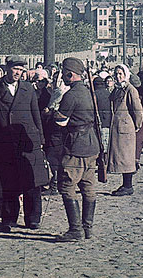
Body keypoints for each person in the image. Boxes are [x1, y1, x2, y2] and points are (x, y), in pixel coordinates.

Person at [0, 55, 48, 232]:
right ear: (7, 68)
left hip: (27, 141)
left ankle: (33, 218)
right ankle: (9, 218)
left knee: (32, 182)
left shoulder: (28, 89)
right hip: (6, 144)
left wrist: (40, 139)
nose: (18, 73)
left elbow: (35, 114)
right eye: (15, 69)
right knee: (9, 183)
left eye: (21, 70)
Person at [54, 57, 100, 241]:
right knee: (88, 187)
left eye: (64, 73)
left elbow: (61, 121)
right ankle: (87, 228)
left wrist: (52, 113)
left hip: (76, 146)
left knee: (67, 186)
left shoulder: (71, 95)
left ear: (69, 74)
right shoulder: (89, 92)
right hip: (91, 144)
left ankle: (75, 229)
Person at [107, 64, 143, 196]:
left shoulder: (130, 89)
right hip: (118, 128)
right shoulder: (117, 89)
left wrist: (135, 126)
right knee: (122, 157)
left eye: (120, 74)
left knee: (127, 157)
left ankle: (128, 185)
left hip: (126, 129)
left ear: (126, 74)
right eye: (116, 74)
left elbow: (138, 110)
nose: (118, 76)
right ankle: (125, 184)